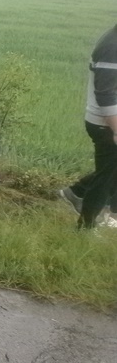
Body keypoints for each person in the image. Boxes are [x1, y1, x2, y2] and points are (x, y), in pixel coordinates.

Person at [60, 23, 117, 229]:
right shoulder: (112, 46)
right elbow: (106, 94)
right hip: (106, 123)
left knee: (110, 170)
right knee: (106, 176)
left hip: (109, 121)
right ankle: (86, 227)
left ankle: (77, 192)